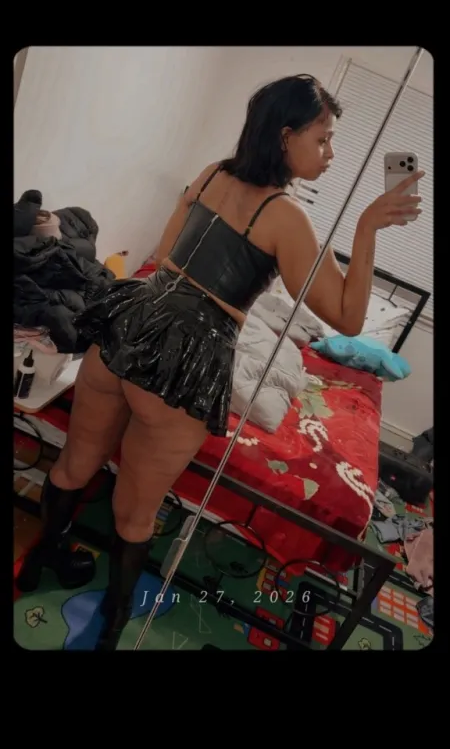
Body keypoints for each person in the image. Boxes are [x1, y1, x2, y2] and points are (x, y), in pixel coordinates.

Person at [15, 74, 424, 650]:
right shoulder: (287, 218)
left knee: (71, 467)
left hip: (127, 326)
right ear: (285, 137)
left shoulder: (212, 173)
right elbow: (349, 316)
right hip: (180, 364)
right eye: (323, 139)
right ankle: (111, 626)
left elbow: (167, 252)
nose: (331, 153)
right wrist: (366, 228)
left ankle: (37, 564)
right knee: (135, 514)